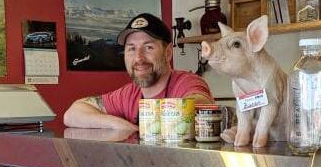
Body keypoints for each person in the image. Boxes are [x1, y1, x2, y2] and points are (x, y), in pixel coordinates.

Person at [64, 13, 213, 130]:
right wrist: (118, 124)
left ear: (168, 53)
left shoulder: (185, 82)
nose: (138, 58)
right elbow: (72, 114)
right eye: (131, 48)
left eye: (148, 47)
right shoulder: (129, 94)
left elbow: (200, 104)